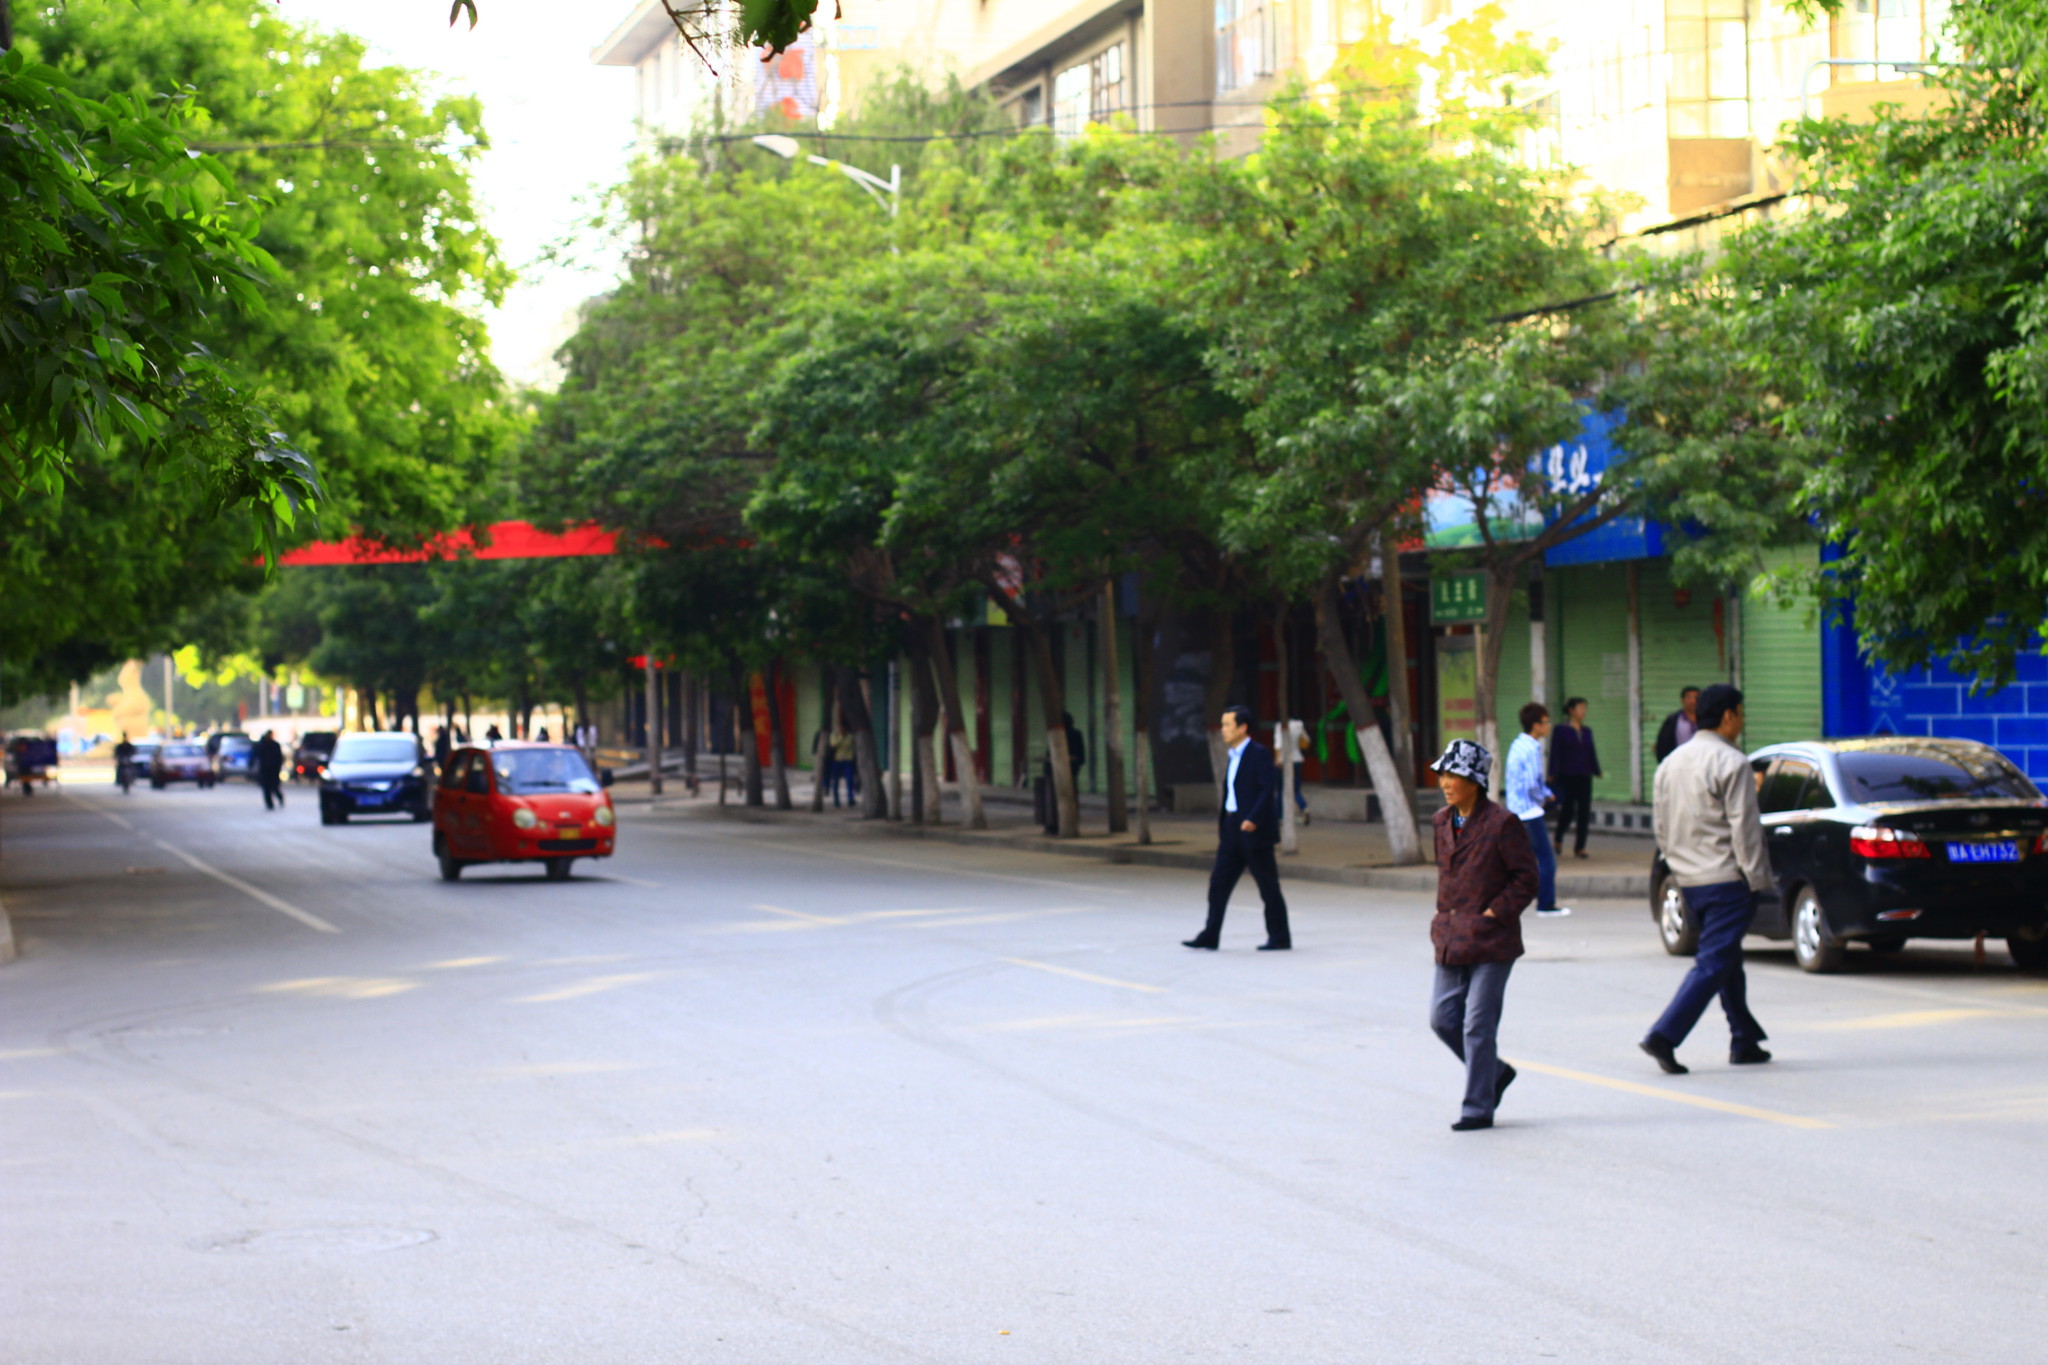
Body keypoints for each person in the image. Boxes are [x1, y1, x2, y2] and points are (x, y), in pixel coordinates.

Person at [1641, 683, 1773, 1075]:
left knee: (1726, 958)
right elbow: (1745, 829)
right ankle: (1664, 1034)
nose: (1742, 721)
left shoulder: (1670, 764)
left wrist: (1679, 867)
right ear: (1729, 716)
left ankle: (1744, 1038)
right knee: (1714, 961)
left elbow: (1661, 828)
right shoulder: (1733, 763)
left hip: (1689, 879)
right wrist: (1756, 877)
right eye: (1741, 713)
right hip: (1727, 877)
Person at [1426, 739, 1538, 1131]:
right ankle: (1495, 1073)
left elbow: (1527, 879)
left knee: (1477, 1025)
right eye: (1443, 775)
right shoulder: (1441, 821)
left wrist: (1495, 912)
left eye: (1453, 775)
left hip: (1492, 939)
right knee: (1442, 1019)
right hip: (1451, 937)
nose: (1445, 782)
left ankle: (1477, 1107)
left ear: (1475, 780)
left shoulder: (1502, 823)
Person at [1183, 705, 1291, 951]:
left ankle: (1280, 937)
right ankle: (1210, 935)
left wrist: (1253, 818)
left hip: (1253, 830)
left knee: (1267, 886)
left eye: (1227, 725)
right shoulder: (1233, 755)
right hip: (1232, 829)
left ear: (1242, 728)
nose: (1223, 730)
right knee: (1218, 884)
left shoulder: (1258, 754)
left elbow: (1267, 789)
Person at [1505, 703, 1569, 918]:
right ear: (1535, 726)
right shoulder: (1532, 748)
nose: (1549, 726)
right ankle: (1546, 904)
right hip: (1529, 812)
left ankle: (1512, 901)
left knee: (1521, 861)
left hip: (1515, 810)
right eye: (1545, 722)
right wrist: (1544, 796)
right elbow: (1533, 783)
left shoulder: (1517, 745)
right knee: (1546, 860)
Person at [1549, 696, 1600, 859]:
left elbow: (1591, 752)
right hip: (1567, 775)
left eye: (1585, 708)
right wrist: (1552, 773)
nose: (1583, 711)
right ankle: (1558, 837)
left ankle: (1580, 847)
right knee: (1568, 809)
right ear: (1571, 710)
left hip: (1584, 775)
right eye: (1580, 708)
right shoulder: (1561, 730)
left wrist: (1596, 769)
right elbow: (1555, 752)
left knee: (1584, 811)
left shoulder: (1587, 731)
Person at [1653, 687, 1701, 764]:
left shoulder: (1708, 720)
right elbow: (1663, 743)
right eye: (1689, 697)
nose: (1693, 701)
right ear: (1683, 700)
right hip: (1679, 763)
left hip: (1701, 763)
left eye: (1696, 697)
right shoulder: (1672, 720)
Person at [253, 729, 286, 811]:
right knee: (266, 788)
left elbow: (279, 757)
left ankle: (279, 798)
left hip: (273, 770)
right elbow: (257, 754)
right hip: (265, 770)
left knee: (274, 787)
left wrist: (278, 767)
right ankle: (269, 804)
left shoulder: (275, 745)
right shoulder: (262, 744)